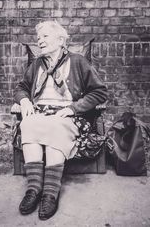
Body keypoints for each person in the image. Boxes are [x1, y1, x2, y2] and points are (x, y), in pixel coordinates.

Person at [14, 20, 107, 220]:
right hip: (40, 113)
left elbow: (100, 92)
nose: (40, 41)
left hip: (67, 114)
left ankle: (50, 192)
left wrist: (73, 108)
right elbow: (22, 87)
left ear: (60, 39)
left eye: (45, 36)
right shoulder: (38, 64)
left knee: (56, 126)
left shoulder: (78, 61)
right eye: (38, 38)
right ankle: (33, 189)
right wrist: (24, 102)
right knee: (28, 124)